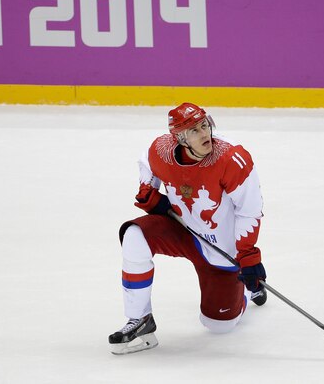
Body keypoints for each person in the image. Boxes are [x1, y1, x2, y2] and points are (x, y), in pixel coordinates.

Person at [108, 102, 267, 355]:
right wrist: (148, 190)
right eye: (194, 131)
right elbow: (147, 163)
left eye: (205, 125)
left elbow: (249, 210)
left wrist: (247, 256)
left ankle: (245, 294)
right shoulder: (162, 150)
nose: (205, 134)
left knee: (218, 326)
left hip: (220, 250)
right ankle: (139, 319)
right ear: (180, 138)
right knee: (135, 235)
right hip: (182, 231)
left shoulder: (232, 159)